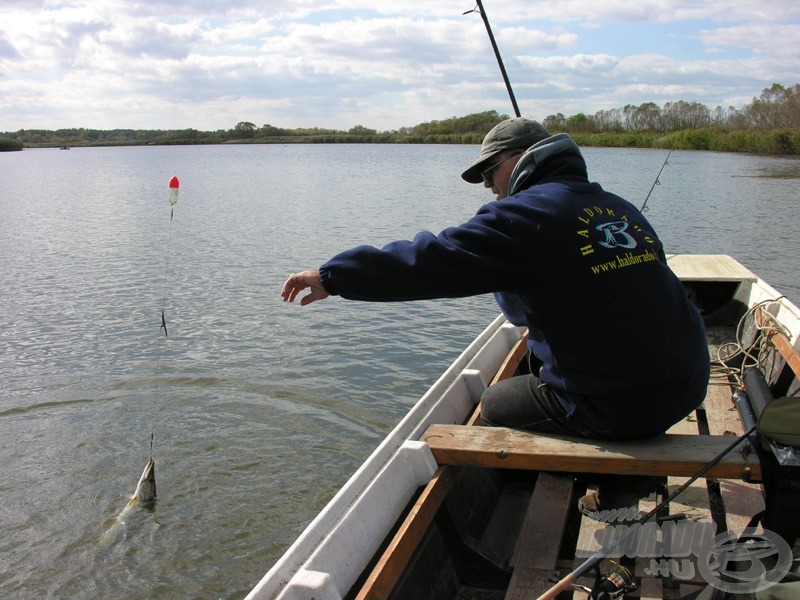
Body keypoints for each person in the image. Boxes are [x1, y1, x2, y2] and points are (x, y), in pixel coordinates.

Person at [281, 117, 710, 515]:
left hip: (624, 407)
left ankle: (618, 481)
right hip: (689, 385)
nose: (487, 185)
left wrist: (333, 277)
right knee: (534, 361)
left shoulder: (520, 218)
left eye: (490, 171)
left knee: (496, 404)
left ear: (522, 160)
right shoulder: (618, 206)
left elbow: (430, 260)